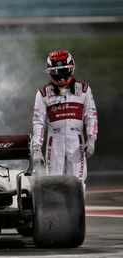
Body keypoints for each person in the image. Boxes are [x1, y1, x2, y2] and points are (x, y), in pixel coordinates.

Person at [32, 50, 98, 190]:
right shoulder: (43, 92)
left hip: (77, 140)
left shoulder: (84, 89)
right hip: (54, 141)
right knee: (53, 181)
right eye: (56, 71)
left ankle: (76, 211)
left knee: (77, 182)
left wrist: (91, 139)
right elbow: (38, 122)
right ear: (50, 71)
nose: (61, 75)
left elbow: (91, 116)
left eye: (64, 70)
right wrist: (36, 147)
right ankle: (55, 211)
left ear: (71, 68)